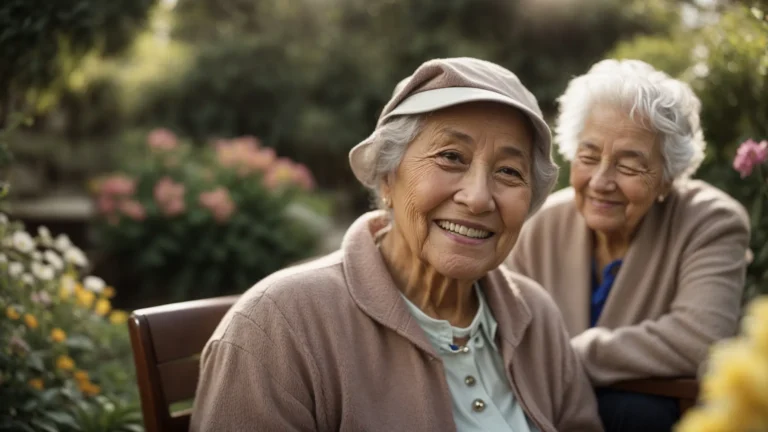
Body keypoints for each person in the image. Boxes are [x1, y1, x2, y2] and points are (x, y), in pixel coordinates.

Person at [190, 57, 603, 432]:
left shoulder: (534, 315)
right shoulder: (279, 326)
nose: (478, 197)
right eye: (451, 157)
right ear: (387, 177)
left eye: (509, 172)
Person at [506, 59, 751, 432]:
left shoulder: (712, 222)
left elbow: (702, 337)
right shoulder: (540, 225)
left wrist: (572, 355)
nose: (601, 181)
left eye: (629, 166)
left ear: (668, 179)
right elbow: (500, 329)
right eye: (589, 157)